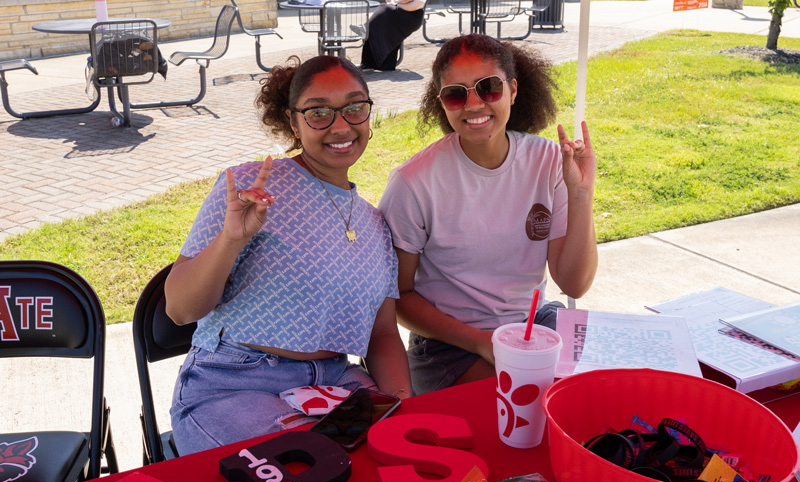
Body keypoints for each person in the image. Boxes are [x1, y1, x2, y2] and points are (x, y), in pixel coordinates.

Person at [165, 54, 412, 455]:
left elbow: (383, 334)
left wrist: (403, 405)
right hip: (236, 381)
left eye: (354, 107)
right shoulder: (248, 188)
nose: (340, 125)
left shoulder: (375, 225)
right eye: (318, 113)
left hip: (335, 381)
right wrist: (231, 239)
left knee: (388, 463)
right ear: (293, 122)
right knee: (302, 481)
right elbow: (179, 309)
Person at [378, 34, 598, 395]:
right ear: (442, 104)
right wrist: (479, 341)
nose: (474, 104)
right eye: (456, 93)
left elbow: (574, 284)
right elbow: (399, 297)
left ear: (512, 90)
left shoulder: (549, 162)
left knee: (600, 389)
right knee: (528, 401)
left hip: (531, 325)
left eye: (489, 87)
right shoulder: (413, 182)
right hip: (448, 344)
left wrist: (581, 194)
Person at [360, 0, 425, 71]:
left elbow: (416, 5)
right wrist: (397, 3)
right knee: (383, 12)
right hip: (400, 12)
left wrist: (397, 4)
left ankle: (366, 29)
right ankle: (370, 62)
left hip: (411, 16)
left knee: (386, 9)